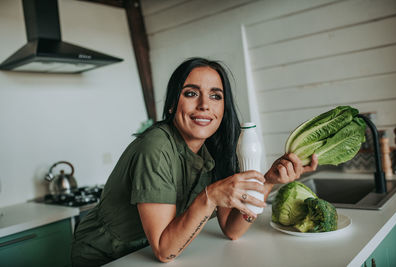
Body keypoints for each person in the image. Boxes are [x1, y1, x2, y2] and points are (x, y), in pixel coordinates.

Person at [71, 57, 318, 266]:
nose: (204, 105)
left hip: (146, 255)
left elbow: (232, 230)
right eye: (191, 93)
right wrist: (209, 197)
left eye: (215, 96)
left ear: (224, 108)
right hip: (107, 257)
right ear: (171, 105)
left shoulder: (215, 148)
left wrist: (267, 182)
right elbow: (164, 250)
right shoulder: (155, 148)